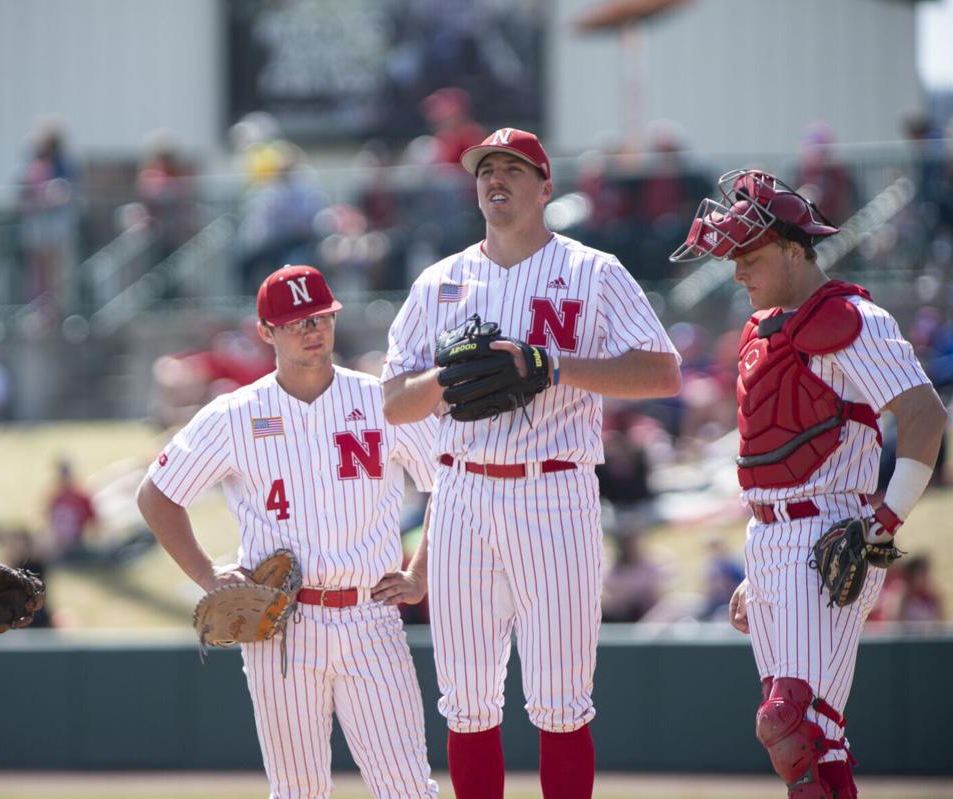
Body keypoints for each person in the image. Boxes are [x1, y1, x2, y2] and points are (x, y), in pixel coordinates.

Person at [382, 128, 682, 799]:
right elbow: (393, 403)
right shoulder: (440, 280)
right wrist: (450, 373)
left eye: (513, 168)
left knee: (561, 698)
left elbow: (663, 371)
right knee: (465, 700)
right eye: (486, 168)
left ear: (545, 186)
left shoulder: (593, 271)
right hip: (460, 490)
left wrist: (551, 364)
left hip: (554, 490)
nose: (496, 178)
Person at [671, 169, 947, 799]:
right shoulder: (763, 330)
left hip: (836, 528)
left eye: (751, 256)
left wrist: (886, 523)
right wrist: (757, 571)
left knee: (794, 722)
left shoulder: (851, 317)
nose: (738, 271)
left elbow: (926, 417)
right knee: (803, 743)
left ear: (795, 251)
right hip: (769, 537)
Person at [137, 265, 440, 799]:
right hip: (281, 622)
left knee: (407, 787)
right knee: (297, 791)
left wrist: (421, 573)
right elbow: (156, 495)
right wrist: (209, 574)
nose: (312, 328)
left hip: (371, 615)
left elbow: (450, 478)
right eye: (296, 320)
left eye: (320, 316)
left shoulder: (381, 399)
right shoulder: (235, 413)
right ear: (266, 331)